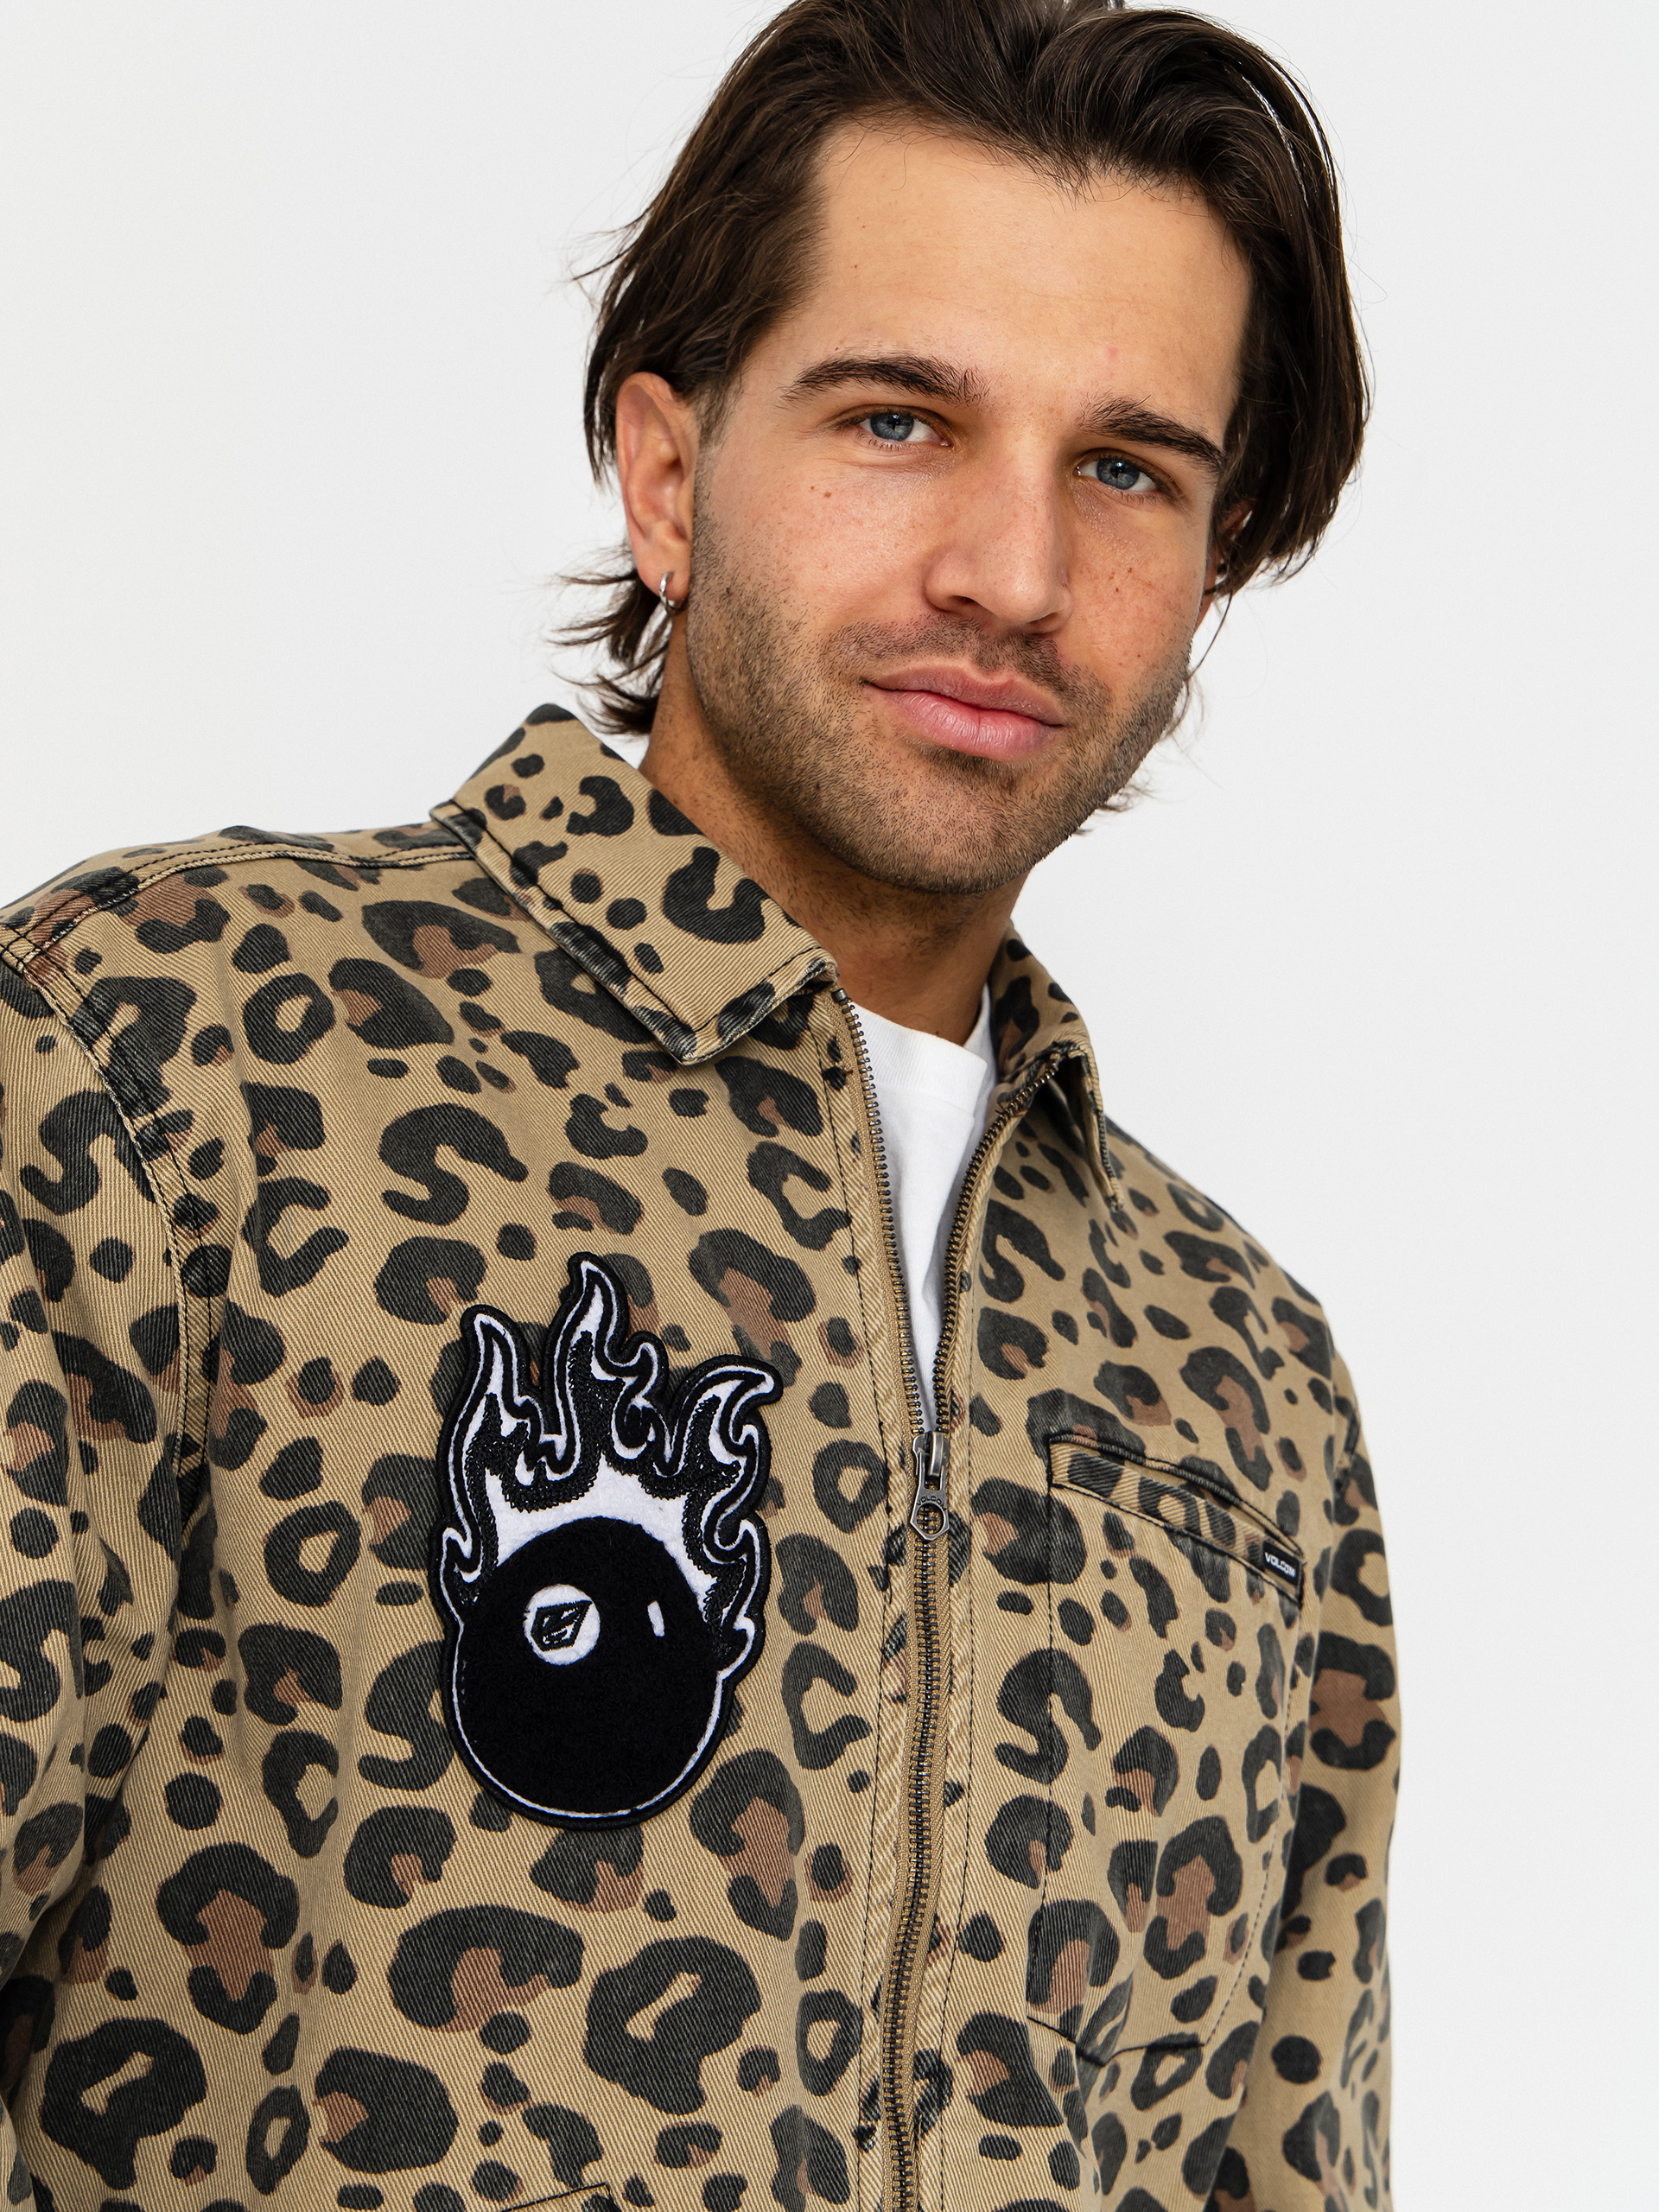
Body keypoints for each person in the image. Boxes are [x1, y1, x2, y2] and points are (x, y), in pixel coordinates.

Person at [0, 2, 1398, 2206]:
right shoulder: (170, 1062)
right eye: (900, 420)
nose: (1014, 573)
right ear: (668, 474)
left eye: (1128, 468)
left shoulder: (1243, 1381)